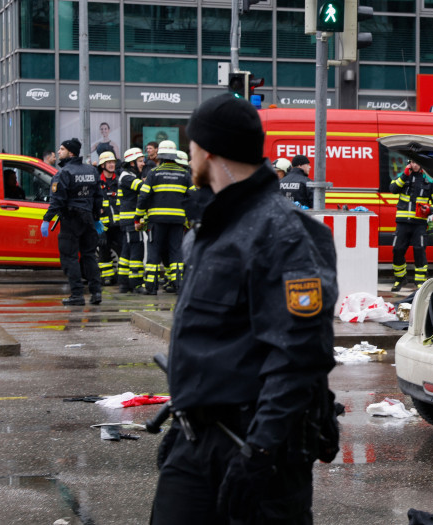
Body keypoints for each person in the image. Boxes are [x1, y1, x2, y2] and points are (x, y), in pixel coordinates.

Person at [150, 92, 337, 525]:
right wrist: (183, 424)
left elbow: (299, 355)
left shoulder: (284, 233)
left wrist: (261, 451)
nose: (188, 151)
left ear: (208, 149)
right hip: (195, 439)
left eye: (191, 142)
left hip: (256, 447)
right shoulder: (210, 229)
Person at [41, 138, 103, 306]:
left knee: (69, 257)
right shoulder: (92, 171)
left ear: (71, 152)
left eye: (62, 149)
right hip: (88, 219)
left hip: (71, 219)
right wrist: (96, 219)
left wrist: (46, 220)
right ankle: (96, 293)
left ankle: (77, 295)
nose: (59, 152)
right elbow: (98, 197)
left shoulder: (63, 173)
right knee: (89, 256)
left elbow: (57, 201)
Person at [135, 140, 191, 295]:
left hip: (156, 221)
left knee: (154, 251)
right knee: (176, 252)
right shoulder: (185, 174)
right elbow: (193, 197)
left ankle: (151, 287)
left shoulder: (154, 173)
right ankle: (178, 285)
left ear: (160, 156)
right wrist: (190, 220)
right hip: (178, 221)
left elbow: (143, 196)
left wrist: (137, 218)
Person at [389, 160, 433, 292]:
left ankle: (420, 281)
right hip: (402, 223)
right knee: (397, 250)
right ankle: (400, 279)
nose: (416, 165)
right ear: (409, 163)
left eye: (418, 162)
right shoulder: (402, 177)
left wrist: (430, 210)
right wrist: (404, 175)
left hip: (419, 223)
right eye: (413, 162)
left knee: (419, 251)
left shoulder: (428, 181)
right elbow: (393, 189)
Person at [117, 148, 147, 293]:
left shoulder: (128, 175)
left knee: (126, 251)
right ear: (132, 163)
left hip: (127, 220)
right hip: (132, 220)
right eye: (140, 161)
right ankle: (135, 283)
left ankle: (124, 284)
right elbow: (143, 188)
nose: (143, 163)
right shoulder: (127, 177)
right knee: (136, 250)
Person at [96, 151, 124, 286]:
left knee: (124, 250)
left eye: (113, 162)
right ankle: (107, 277)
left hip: (119, 225)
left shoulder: (119, 181)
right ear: (103, 165)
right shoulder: (97, 182)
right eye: (109, 163)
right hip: (103, 226)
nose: (112, 165)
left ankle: (122, 277)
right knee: (104, 251)